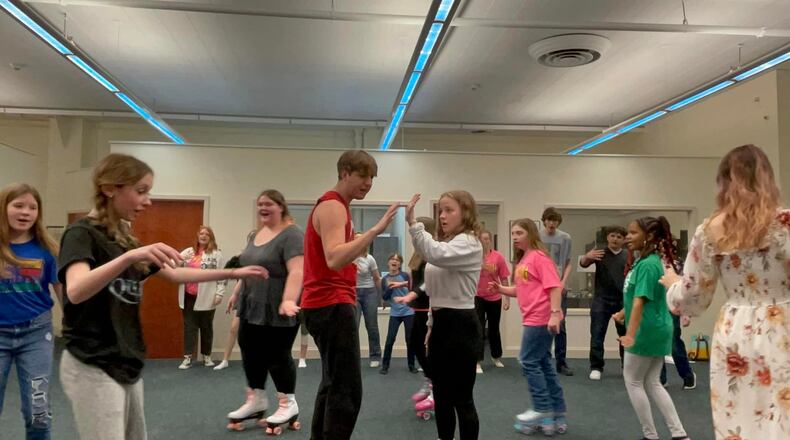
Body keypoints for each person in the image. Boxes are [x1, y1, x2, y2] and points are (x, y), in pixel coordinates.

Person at [57, 153, 268, 440]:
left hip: (125, 359)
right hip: (91, 361)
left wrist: (232, 274)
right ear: (110, 189)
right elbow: (76, 290)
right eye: (141, 191)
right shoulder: (80, 233)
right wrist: (130, 256)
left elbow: (176, 274)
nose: (148, 201)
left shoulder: (122, 236)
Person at [660, 144, 789, 439]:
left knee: (738, 417)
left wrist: (671, 286)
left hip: (736, 331)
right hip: (783, 324)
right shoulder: (786, 223)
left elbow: (692, 300)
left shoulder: (709, 230)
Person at [278, 150, 398, 440]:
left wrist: (358, 238)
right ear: (344, 173)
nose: (368, 183)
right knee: (346, 389)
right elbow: (333, 258)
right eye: (362, 176)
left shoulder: (337, 206)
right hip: (331, 303)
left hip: (326, 304)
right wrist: (376, 230)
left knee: (332, 383)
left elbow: (331, 253)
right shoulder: (334, 207)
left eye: (372, 178)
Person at [225, 189, 304, 433]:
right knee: (249, 350)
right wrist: (237, 293)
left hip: (278, 304)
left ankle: (288, 403)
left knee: (277, 355)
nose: (262, 208)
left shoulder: (292, 234)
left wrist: (289, 299)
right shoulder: (258, 234)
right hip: (252, 303)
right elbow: (249, 267)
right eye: (259, 204)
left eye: (268, 203)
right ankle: (256, 399)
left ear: (281, 206)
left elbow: (298, 270)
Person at [406, 191, 483, 440]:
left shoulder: (470, 242)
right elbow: (437, 292)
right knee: (441, 395)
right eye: (441, 210)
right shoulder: (449, 243)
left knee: (462, 398)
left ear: (466, 213)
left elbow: (435, 254)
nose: (442, 216)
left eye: (449, 210)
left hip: (462, 325)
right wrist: (430, 324)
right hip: (441, 323)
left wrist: (414, 225)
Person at [613, 217, 689, 440]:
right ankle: (679, 434)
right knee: (652, 382)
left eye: (633, 233)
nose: (628, 237)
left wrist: (629, 334)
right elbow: (639, 295)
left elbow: (640, 301)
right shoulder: (646, 261)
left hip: (646, 330)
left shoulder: (647, 265)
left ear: (649, 237)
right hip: (657, 327)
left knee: (633, 381)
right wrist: (622, 313)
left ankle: (650, 435)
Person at [489, 218, 567, 436]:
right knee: (543, 363)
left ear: (531, 234)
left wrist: (554, 314)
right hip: (534, 316)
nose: (514, 237)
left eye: (519, 233)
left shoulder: (540, 258)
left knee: (527, 360)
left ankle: (541, 408)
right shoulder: (524, 260)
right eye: (513, 233)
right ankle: (557, 411)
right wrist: (501, 289)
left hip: (541, 317)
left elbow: (554, 288)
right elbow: (523, 290)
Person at [0, 183, 61, 440]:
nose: (26, 212)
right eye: (18, 205)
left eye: (32, 207)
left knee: (38, 412)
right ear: (4, 209)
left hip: (36, 334)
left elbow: (65, 293)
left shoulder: (47, 250)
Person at [393, 216, 436, 404]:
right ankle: (429, 380)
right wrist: (402, 283)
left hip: (430, 307)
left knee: (431, 349)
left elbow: (430, 281)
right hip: (417, 308)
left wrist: (412, 294)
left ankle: (436, 388)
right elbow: (417, 278)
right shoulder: (418, 253)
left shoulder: (433, 252)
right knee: (415, 345)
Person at [580, 225, 627, 381]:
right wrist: (587, 256)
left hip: (622, 301)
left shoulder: (628, 256)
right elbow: (583, 263)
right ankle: (596, 367)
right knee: (597, 335)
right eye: (612, 236)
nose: (615, 239)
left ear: (623, 240)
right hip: (601, 300)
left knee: (624, 336)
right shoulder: (599, 253)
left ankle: (627, 367)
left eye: (619, 237)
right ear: (607, 237)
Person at [177, 226, 225, 369]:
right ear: (197, 235)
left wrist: (219, 293)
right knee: (189, 327)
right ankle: (187, 357)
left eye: (207, 234)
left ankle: (206, 356)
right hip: (188, 296)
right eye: (201, 233)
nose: (203, 236)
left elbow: (222, 275)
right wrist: (180, 259)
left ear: (211, 237)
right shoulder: (189, 252)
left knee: (206, 327)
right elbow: (173, 265)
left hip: (207, 296)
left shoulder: (216, 254)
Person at [539, 208, 573, 376]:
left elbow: (567, 263)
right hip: (541, 286)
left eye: (555, 220)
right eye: (549, 220)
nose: (552, 223)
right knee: (542, 324)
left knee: (560, 324)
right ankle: (543, 360)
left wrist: (563, 282)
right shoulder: (536, 237)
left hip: (558, 285)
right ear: (544, 221)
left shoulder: (565, 238)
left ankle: (561, 362)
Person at [475, 229, 510, 373]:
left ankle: (496, 357)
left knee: (494, 328)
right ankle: (477, 361)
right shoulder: (473, 257)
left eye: (486, 239)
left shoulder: (498, 257)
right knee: (479, 329)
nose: (484, 241)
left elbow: (504, 278)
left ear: (490, 241)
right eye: (481, 239)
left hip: (495, 297)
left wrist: (507, 298)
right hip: (477, 296)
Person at [380, 253, 415, 374]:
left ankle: (411, 365)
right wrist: (390, 287)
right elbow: (384, 296)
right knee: (390, 339)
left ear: (400, 264)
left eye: (397, 260)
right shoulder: (385, 279)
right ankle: (385, 366)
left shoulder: (405, 275)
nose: (394, 261)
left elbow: (413, 290)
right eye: (392, 259)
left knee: (410, 339)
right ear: (388, 262)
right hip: (395, 312)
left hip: (408, 311)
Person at [354, 233, 382, 368]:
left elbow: (377, 278)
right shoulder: (348, 257)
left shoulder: (369, 259)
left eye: (360, 238)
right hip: (353, 293)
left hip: (369, 292)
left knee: (371, 326)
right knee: (353, 326)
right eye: (355, 238)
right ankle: (352, 357)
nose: (357, 240)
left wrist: (380, 296)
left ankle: (375, 355)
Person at [214, 254, 242, 371]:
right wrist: (234, 296)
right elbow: (231, 273)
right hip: (243, 296)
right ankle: (225, 360)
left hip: (258, 297)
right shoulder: (241, 259)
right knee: (233, 328)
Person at [659, 314, 696, 390]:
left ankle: (687, 374)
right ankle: (661, 378)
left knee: (674, 344)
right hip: (653, 307)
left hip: (671, 308)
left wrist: (687, 312)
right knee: (656, 343)